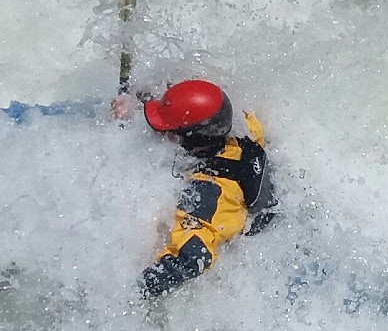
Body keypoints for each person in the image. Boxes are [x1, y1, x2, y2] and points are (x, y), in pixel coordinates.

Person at [112, 80, 276, 297]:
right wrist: (134, 103)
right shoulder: (243, 127)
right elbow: (195, 104)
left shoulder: (207, 192)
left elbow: (194, 256)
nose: (165, 136)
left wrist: (133, 293)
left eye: (170, 133)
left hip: (252, 229)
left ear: (193, 143)